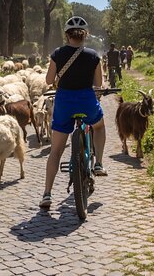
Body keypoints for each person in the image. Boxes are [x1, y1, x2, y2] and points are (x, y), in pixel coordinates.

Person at [39, 16, 107, 210]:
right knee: (99, 126)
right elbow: (98, 85)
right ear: (85, 35)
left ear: (66, 35)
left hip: (63, 103)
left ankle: (47, 194)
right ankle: (99, 163)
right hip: (86, 100)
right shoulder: (93, 55)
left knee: (56, 151)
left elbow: (48, 80)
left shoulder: (57, 54)